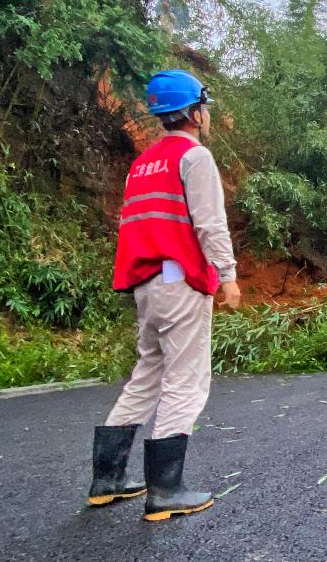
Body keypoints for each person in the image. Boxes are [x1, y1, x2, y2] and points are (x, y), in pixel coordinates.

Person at [88, 69, 240, 522]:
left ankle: (107, 480)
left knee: (148, 374)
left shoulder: (142, 163)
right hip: (181, 283)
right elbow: (209, 223)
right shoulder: (194, 157)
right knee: (186, 380)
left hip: (146, 286)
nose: (206, 115)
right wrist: (228, 275)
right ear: (193, 112)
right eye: (204, 108)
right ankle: (166, 491)